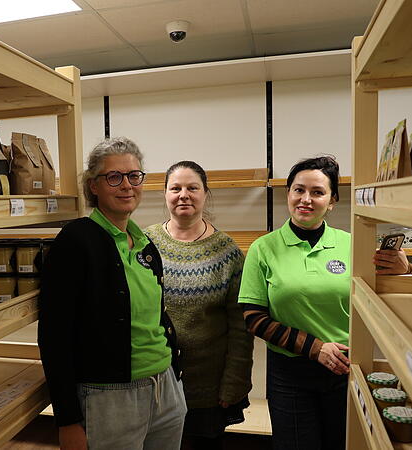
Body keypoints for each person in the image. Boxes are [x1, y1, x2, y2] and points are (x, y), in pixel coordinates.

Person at [238, 156, 412, 450]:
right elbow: (253, 318)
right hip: (289, 374)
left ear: (332, 201)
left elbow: (391, 281)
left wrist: (404, 268)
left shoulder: (351, 244)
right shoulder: (264, 248)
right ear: (289, 194)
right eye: (298, 190)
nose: (306, 199)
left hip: (346, 369)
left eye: (317, 192)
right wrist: (315, 348)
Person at [38, 137, 186, 450]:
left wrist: (172, 370)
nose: (127, 186)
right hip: (110, 397)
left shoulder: (144, 243)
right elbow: (54, 336)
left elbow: (157, 315)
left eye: (134, 176)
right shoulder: (75, 241)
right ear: (94, 186)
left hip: (165, 389)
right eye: (114, 177)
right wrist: (67, 418)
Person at [144, 161, 254, 450]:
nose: (184, 195)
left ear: (205, 194)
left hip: (208, 385)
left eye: (192, 188)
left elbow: (240, 327)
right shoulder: (144, 243)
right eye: (175, 188)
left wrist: (234, 381)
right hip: (155, 380)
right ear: (165, 194)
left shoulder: (228, 252)